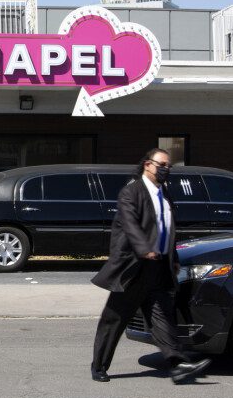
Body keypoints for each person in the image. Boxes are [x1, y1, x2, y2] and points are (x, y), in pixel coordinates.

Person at [90, 148, 211, 384]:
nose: (166, 169)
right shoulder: (131, 192)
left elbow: (168, 230)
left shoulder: (164, 194)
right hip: (134, 267)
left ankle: (178, 365)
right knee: (114, 318)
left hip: (159, 268)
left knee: (161, 318)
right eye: (162, 165)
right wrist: (145, 248)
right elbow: (130, 225)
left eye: (169, 166)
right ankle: (99, 365)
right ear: (147, 164)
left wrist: (173, 259)